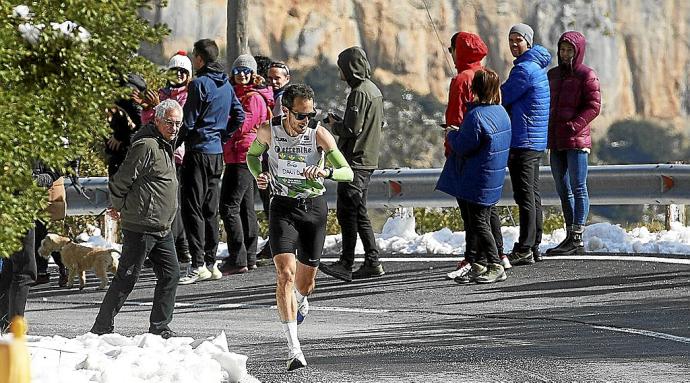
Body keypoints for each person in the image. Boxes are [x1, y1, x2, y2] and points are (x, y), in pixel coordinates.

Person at [246, 83, 353, 370]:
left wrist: (325, 170)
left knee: (305, 284)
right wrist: (260, 175)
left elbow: (347, 172)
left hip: (313, 209)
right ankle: (294, 349)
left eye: (311, 114)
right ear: (286, 110)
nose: (308, 120)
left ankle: (301, 301)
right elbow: (252, 157)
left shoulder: (318, 133)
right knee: (285, 274)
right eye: (302, 115)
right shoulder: (269, 131)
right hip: (282, 207)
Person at [90, 99, 182, 338]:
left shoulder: (165, 145)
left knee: (171, 275)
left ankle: (160, 327)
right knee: (127, 277)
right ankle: (101, 327)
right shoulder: (146, 145)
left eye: (178, 124)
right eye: (170, 123)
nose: (174, 128)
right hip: (141, 224)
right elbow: (122, 179)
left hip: (162, 226)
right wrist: (118, 205)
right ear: (157, 121)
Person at [441, 32, 508, 281]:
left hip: (468, 155)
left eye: (452, 49)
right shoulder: (489, 77)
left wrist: (451, 141)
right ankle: (497, 254)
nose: (452, 53)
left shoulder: (462, 80)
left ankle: (477, 259)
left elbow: (458, 119)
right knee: (487, 210)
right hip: (491, 161)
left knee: (473, 215)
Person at [178, 39, 245, 284]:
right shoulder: (226, 84)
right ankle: (210, 261)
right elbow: (239, 115)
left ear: (199, 59)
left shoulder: (199, 84)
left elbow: (189, 121)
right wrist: (223, 135)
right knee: (210, 209)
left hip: (197, 152)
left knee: (192, 208)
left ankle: (197, 264)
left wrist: (172, 145)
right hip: (217, 153)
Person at [320, 46, 385, 282]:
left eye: (341, 68)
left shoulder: (359, 93)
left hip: (355, 160)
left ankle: (346, 263)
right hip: (367, 159)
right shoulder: (374, 90)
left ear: (349, 68)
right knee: (359, 212)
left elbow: (351, 129)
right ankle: (372, 261)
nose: (340, 72)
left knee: (348, 213)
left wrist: (333, 125)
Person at [545, 31, 601, 256]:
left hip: (576, 139)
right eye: (562, 49)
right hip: (555, 140)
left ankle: (577, 236)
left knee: (579, 186)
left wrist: (574, 125)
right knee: (561, 187)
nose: (565, 53)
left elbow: (594, 106)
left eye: (570, 50)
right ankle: (569, 234)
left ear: (578, 51)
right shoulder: (553, 75)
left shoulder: (587, 75)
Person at [500, 23, 551, 265]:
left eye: (518, 40)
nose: (513, 44)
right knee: (532, 194)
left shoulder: (524, 70)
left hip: (524, 140)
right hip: (533, 140)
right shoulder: (535, 67)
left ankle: (525, 247)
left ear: (528, 42)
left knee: (525, 196)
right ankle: (534, 244)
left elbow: (502, 97)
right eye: (510, 40)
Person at [219, 54, 274, 275]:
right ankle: (248, 256)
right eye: (238, 71)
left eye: (246, 71)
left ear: (253, 74)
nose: (241, 75)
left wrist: (221, 130)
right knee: (244, 206)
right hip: (241, 155)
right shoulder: (241, 94)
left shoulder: (253, 97)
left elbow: (242, 125)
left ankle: (238, 257)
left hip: (242, 155)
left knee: (228, 206)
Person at [139, 50, 194, 263]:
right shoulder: (162, 95)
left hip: (181, 155)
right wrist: (148, 109)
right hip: (162, 155)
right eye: (174, 71)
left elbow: (181, 123)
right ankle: (172, 247)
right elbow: (150, 123)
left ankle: (182, 247)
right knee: (166, 203)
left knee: (177, 203)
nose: (178, 75)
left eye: (183, 71)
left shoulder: (189, 94)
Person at [0, 163, 63, 331]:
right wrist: (43, 178)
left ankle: (7, 325)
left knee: (11, 268)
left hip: (18, 205)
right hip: (17, 207)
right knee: (24, 269)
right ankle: (15, 329)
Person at [257, 60, 292, 261]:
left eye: (277, 78)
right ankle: (276, 242)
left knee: (276, 203)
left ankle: (278, 244)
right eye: (270, 78)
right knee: (270, 203)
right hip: (267, 155)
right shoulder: (269, 96)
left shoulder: (286, 99)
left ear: (287, 79)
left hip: (278, 158)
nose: (273, 82)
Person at [105, 74, 146, 177]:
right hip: (126, 146)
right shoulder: (126, 85)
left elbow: (140, 120)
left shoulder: (127, 89)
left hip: (127, 149)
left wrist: (120, 136)